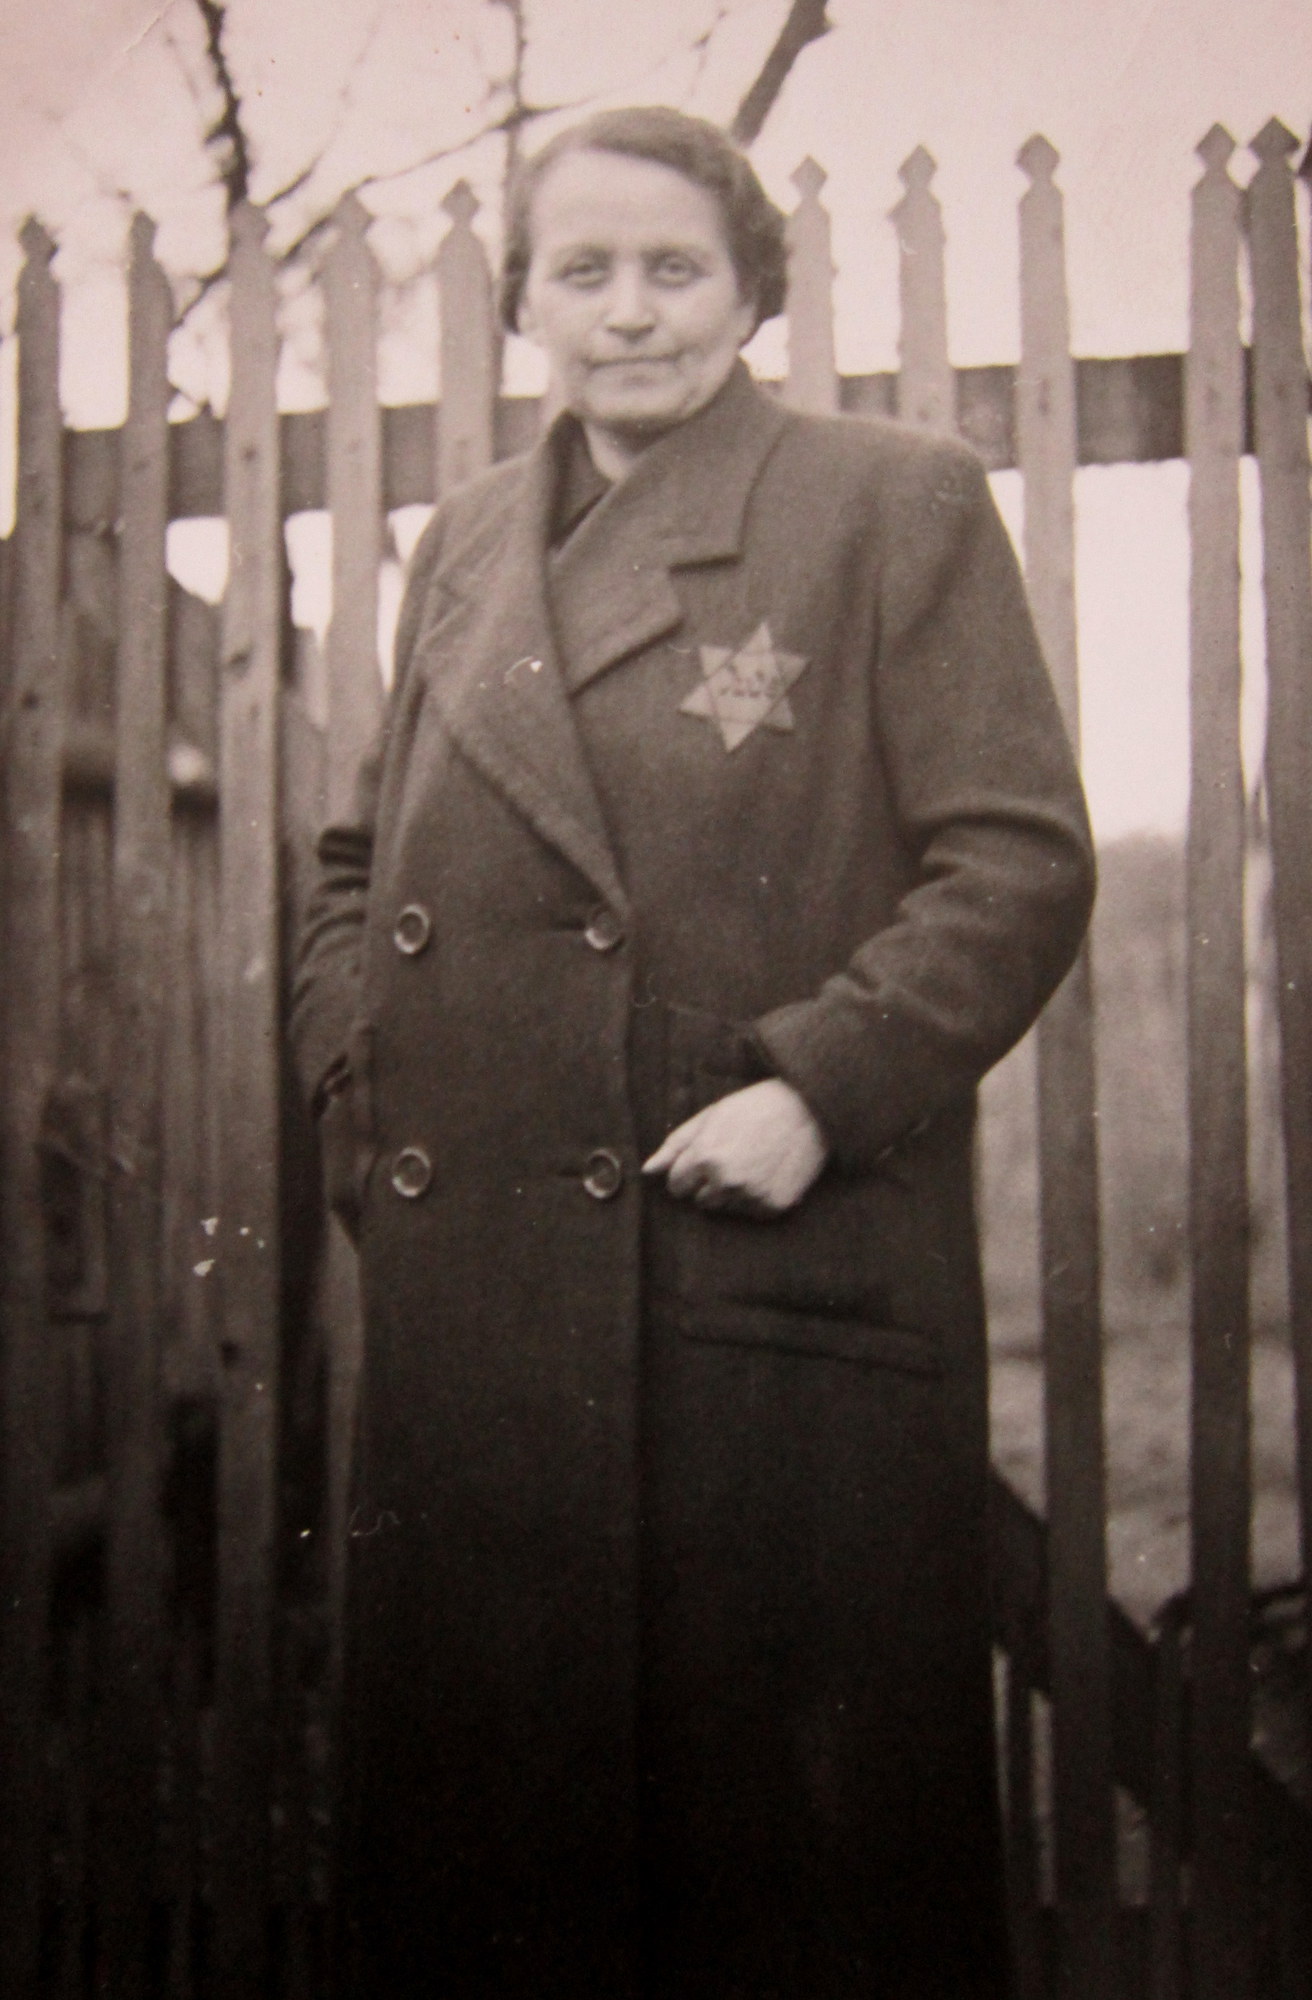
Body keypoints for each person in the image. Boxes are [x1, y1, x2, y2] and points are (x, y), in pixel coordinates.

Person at [293, 104, 1095, 2000]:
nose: (631, 311)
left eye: (676, 268)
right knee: (499, 1889)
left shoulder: (887, 501)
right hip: (479, 1307)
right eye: (584, 271)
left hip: (752, 1290)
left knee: (781, 1888)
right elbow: (349, 870)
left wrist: (822, 1085)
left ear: (752, 293)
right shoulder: (465, 540)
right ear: (525, 303)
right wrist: (358, 1084)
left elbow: (1016, 861)